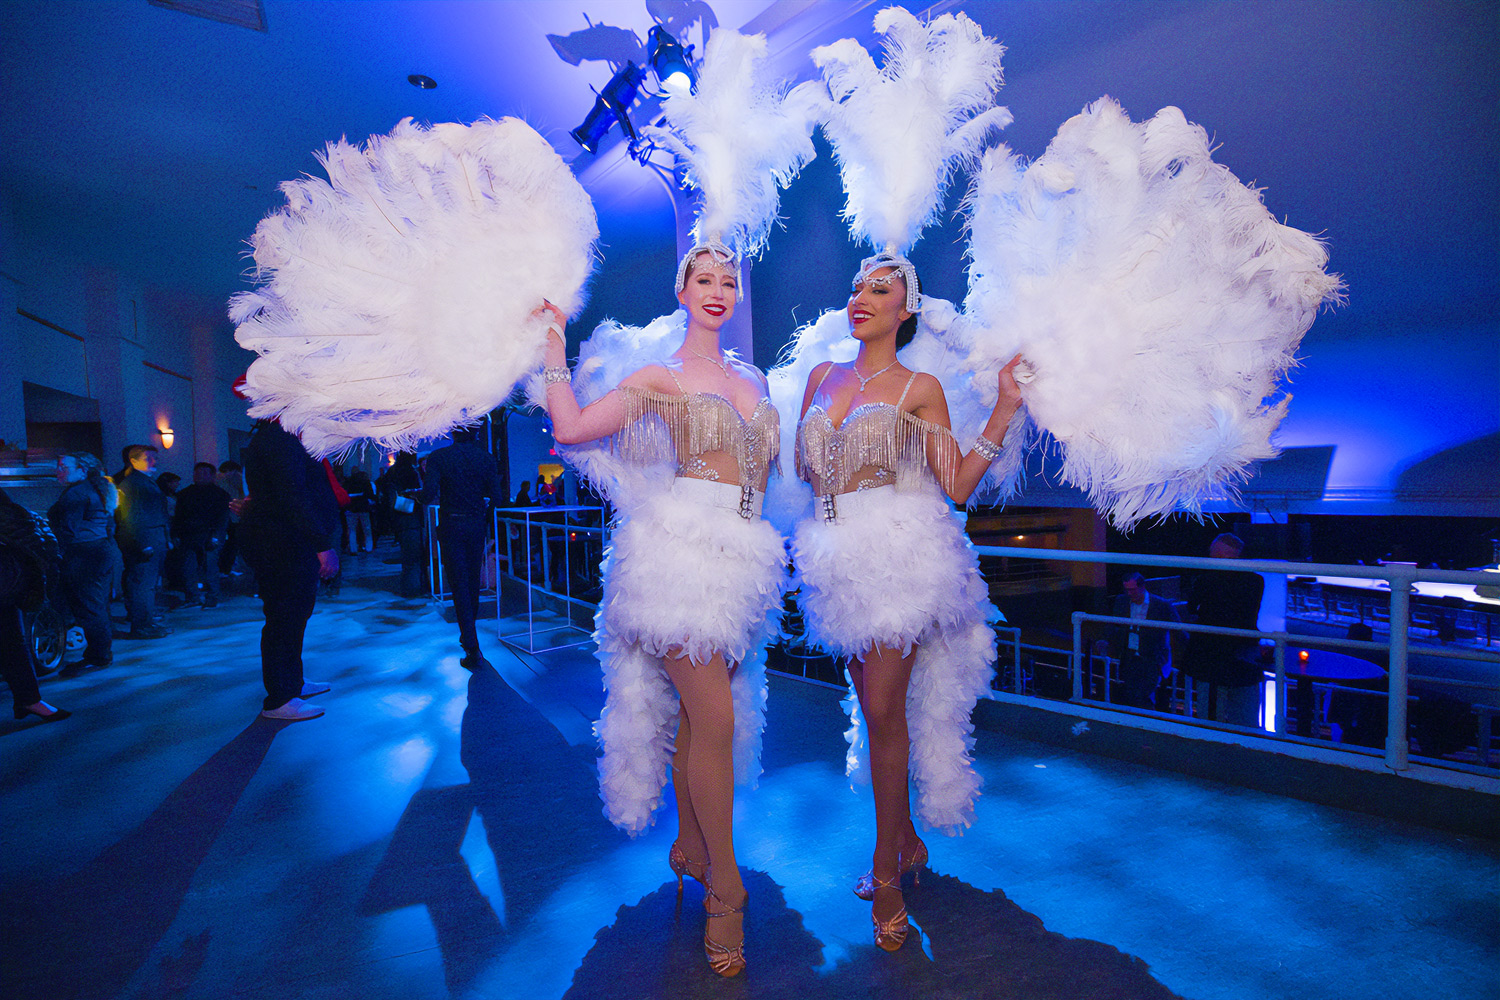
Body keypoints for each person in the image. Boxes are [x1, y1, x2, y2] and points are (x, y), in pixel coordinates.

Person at [537, 243, 786, 978]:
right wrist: (552, 345)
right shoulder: (661, 376)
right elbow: (572, 430)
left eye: (729, 281)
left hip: (745, 558)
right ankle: (726, 891)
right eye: (704, 279)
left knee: (695, 717)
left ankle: (691, 845)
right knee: (714, 718)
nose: (718, 291)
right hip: (679, 552)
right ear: (682, 290)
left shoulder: (753, 378)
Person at [792, 256, 1024, 952]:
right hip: (836, 562)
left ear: (905, 312)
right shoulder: (819, 378)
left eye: (880, 291)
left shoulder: (919, 388)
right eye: (858, 285)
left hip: (898, 557)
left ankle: (885, 872)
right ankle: (909, 841)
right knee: (875, 713)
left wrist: (1007, 406)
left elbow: (954, 484)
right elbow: (807, 474)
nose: (861, 297)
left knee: (886, 711)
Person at [238, 420, 340, 721]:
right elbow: (292, 495)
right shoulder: (279, 439)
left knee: (293, 617)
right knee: (285, 618)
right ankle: (280, 697)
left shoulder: (278, 438)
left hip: (285, 540)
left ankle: (292, 684)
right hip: (283, 543)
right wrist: (322, 544)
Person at [422, 426, 505, 670]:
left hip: (451, 524)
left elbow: (428, 495)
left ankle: (470, 644)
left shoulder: (439, 458)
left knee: (458, 585)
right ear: (476, 433)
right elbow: (497, 498)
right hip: (475, 524)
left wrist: (416, 496)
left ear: (452, 433)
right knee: (471, 584)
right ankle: (470, 639)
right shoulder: (486, 458)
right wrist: (483, 513)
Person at [0, 487, 69, 721]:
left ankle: (29, 700)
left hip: (7, 588)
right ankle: (29, 701)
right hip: (10, 589)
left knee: (12, 643)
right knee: (12, 643)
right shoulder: (15, 512)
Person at [1184, 532, 1266, 727]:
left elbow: (1191, 607)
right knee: (1246, 717)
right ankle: (1248, 750)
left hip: (1211, 655)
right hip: (1245, 654)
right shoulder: (1256, 581)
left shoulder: (1206, 580)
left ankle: (1213, 751)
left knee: (1211, 718)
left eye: (1214, 556)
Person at [48, 453, 120, 669]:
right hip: (99, 551)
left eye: (63, 467)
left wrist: (53, 554)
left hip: (83, 555)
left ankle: (98, 656)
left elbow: (67, 531)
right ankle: (100, 653)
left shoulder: (77, 493)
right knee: (96, 605)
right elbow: (109, 525)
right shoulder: (97, 488)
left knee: (90, 607)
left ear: (82, 470)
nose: (58, 471)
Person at [1094, 572, 1181, 710]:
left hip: (1152, 659)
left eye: (1133, 590)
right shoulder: (1121, 601)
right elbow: (1113, 623)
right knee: (1131, 695)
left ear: (1143, 587)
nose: (1130, 593)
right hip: (1129, 657)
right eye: (1127, 590)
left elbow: (1179, 631)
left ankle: (1147, 726)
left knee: (1145, 697)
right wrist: (1104, 639)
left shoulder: (1162, 605)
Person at [113, 444, 171, 639]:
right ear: (134, 460)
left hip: (151, 539)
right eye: (148, 458)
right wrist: (141, 544)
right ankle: (142, 626)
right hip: (145, 541)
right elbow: (130, 518)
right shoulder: (133, 484)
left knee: (145, 585)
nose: (154, 461)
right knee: (142, 585)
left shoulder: (141, 481)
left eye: (155, 457)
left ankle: (145, 623)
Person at [172, 462, 231, 608]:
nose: (200, 476)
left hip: (209, 534)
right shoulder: (185, 494)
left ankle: (212, 596)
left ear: (212, 476)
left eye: (205, 473)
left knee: (210, 567)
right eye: (197, 473)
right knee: (188, 567)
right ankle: (193, 596)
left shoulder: (220, 494)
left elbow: (223, 517)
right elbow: (178, 516)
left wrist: (217, 535)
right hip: (188, 535)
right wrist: (176, 534)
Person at [380, 453, 425, 598]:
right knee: (413, 558)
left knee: (408, 558)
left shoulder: (392, 473)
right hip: (411, 518)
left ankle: (409, 588)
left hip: (400, 520)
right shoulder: (409, 472)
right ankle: (413, 589)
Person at [343, 468, 375, 553]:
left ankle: (353, 549)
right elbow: (370, 494)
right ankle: (369, 547)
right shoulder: (365, 482)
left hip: (351, 508)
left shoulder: (348, 482)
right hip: (363, 507)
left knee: (352, 529)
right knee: (367, 528)